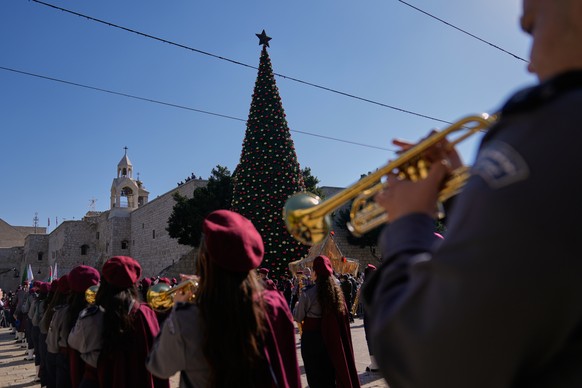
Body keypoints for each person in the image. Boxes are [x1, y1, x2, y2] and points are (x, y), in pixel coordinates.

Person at [362, 1, 582, 387]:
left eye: (532, 28)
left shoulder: (556, 125)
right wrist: (465, 192)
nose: (529, 64)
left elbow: (426, 359)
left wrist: (408, 223)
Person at [146, 209, 301, 388]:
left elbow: (159, 367)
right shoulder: (274, 304)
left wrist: (178, 309)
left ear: (205, 259)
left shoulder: (187, 316)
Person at [67, 256, 169, 388]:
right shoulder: (146, 314)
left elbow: (74, 343)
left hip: (98, 381)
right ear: (134, 283)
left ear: (103, 282)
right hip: (138, 380)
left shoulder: (91, 316)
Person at [293, 255, 360, 388]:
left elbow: (298, 317)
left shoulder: (308, 293)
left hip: (312, 339)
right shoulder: (337, 292)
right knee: (329, 377)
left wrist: (296, 307)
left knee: (315, 376)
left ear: (316, 272)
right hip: (331, 338)